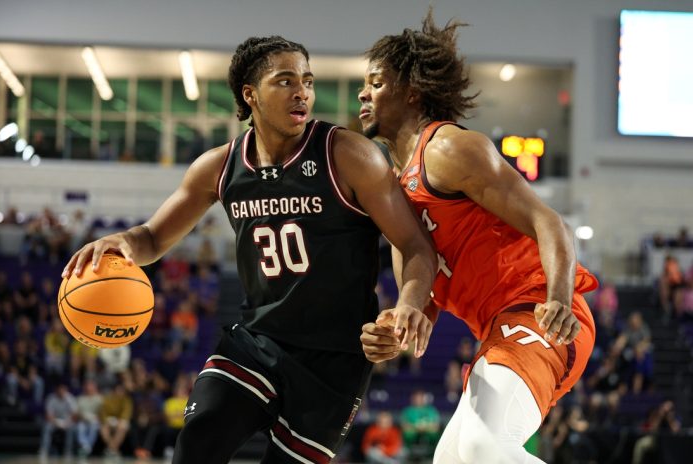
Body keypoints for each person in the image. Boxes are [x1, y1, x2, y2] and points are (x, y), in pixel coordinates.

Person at [62, 35, 436, 464]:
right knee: (197, 444)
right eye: (285, 81)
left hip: (335, 359)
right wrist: (123, 241)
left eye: (308, 81)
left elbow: (414, 245)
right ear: (250, 94)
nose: (302, 92)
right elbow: (152, 238)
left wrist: (408, 305)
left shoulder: (348, 155)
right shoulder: (219, 166)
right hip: (257, 341)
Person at [358, 10, 598, 464]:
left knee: (483, 448)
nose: (363, 93)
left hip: (537, 312)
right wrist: (399, 324)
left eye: (377, 83)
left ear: (411, 91)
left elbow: (551, 224)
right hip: (497, 328)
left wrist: (559, 299)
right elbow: (420, 292)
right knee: (450, 459)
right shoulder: (394, 188)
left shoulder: (447, 149)